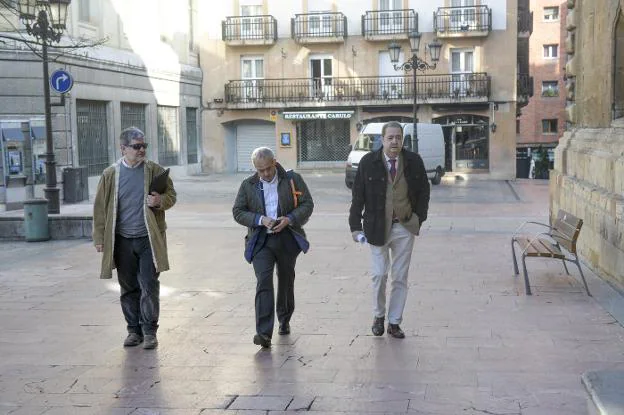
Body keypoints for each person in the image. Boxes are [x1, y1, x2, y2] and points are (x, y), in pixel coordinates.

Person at [93, 127, 176, 350]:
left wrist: (160, 201)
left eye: (144, 146)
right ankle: (133, 331)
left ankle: (150, 331)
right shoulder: (111, 174)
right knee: (128, 287)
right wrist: (100, 237)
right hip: (121, 240)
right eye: (136, 146)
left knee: (149, 285)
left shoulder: (155, 171)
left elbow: (171, 196)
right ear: (123, 148)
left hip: (148, 239)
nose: (141, 150)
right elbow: (100, 208)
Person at [349, 121, 430, 339]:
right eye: (390, 137)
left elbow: (424, 190)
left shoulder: (413, 161)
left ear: (403, 140)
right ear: (382, 139)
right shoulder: (368, 162)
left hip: (404, 226)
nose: (395, 141)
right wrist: (355, 226)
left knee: (400, 277)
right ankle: (378, 316)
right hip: (376, 227)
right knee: (379, 274)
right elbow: (358, 195)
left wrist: (418, 218)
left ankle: (394, 322)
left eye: (398, 137)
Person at [233, 147, 314, 348]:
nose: (266, 174)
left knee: (286, 279)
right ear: (255, 169)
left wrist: (290, 219)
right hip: (261, 241)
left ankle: (284, 319)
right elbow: (238, 212)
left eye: (269, 168)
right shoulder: (248, 185)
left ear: (275, 162)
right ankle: (263, 333)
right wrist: (260, 219)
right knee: (263, 282)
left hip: (287, 238)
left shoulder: (292, 179)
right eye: (261, 171)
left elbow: (307, 204)